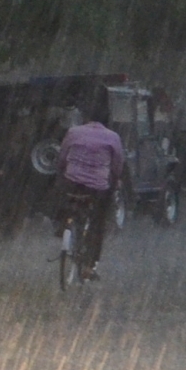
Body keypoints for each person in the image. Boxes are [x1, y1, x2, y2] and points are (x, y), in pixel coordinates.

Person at [57, 99, 125, 279]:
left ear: (85, 117)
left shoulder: (73, 132)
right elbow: (117, 166)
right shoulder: (113, 137)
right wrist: (115, 180)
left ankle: (62, 224)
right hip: (97, 188)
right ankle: (90, 266)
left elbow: (62, 156)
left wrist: (64, 171)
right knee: (98, 222)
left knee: (63, 197)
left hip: (72, 183)